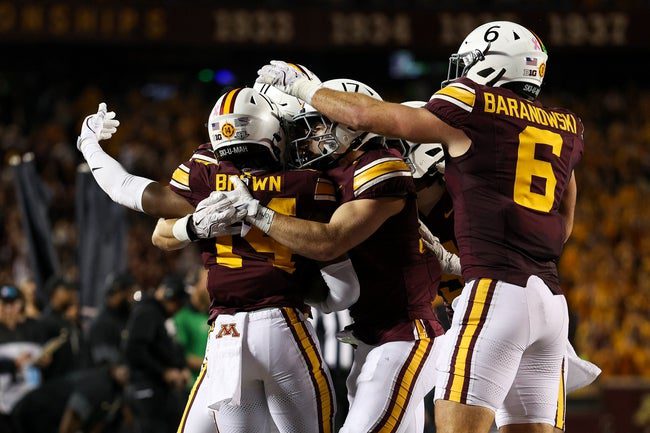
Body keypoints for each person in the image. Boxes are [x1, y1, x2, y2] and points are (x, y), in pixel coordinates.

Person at [254, 20, 583, 433]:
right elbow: (564, 222)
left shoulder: (471, 104)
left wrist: (304, 89)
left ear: (491, 66)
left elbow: (367, 115)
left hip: (495, 293)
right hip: (551, 299)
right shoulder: (565, 125)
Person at [76, 84, 358, 433]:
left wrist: (88, 145)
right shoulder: (309, 183)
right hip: (283, 325)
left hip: (226, 334)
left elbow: (127, 189)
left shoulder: (208, 175)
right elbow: (343, 289)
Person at [190, 78, 445, 433]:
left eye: (319, 124)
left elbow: (330, 242)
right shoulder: (328, 176)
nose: (308, 137)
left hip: (406, 333)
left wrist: (257, 213)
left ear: (352, 128)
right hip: (370, 335)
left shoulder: (383, 165)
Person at [124, 275, 189, 433]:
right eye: (177, 302)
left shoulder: (158, 315)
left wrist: (180, 368)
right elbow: (134, 350)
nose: (177, 308)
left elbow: (167, 349)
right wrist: (164, 372)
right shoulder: (147, 311)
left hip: (158, 389)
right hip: (145, 386)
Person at [88, 273, 137, 366]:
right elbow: (104, 360)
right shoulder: (102, 323)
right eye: (129, 293)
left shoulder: (127, 317)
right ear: (117, 294)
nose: (132, 299)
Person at [173, 267, 210, 388]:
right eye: (207, 280)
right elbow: (181, 355)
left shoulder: (215, 314)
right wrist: (213, 365)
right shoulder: (182, 317)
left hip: (214, 385)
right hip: (193, 386)